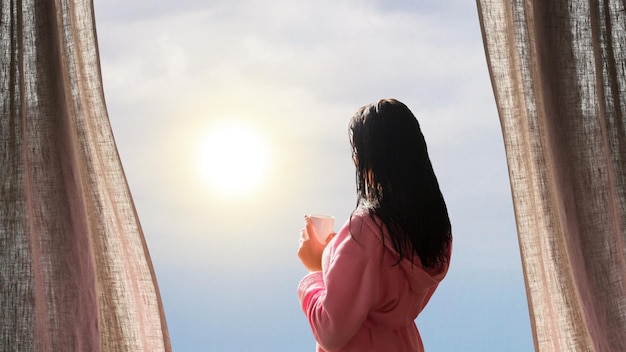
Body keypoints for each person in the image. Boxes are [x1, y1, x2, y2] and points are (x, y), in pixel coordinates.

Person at [297, 98, 452, 352]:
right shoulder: (436, 229)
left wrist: (315, 271)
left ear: (371, 158)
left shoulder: (364, 231)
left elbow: (331, 332)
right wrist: (336, 254)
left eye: (357, 152)